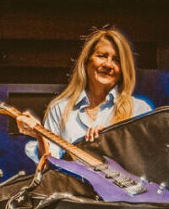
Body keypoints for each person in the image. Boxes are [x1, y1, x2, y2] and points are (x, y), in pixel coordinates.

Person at [24, 27, 153, 161]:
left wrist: (113, 142)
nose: (108, 64)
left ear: (123, 69)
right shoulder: (60, 109)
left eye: (117, 60)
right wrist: (39, 135)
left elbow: (148, 165)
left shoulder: (140, 110)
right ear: (86, 61)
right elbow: (49, 168)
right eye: (102, 56)